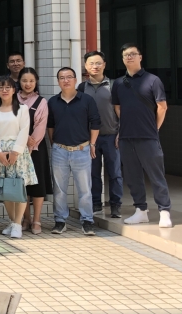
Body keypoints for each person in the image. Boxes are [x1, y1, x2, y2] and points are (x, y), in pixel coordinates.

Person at [111, 43, 172, 228]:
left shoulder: (153, 80)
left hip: (148, 136)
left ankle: (164, 211)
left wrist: (155, 128)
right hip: (126, 137)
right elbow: (118, 108)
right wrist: (122, 129)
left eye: (132, 54)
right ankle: (140, 210)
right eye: (125, 55)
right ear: (122, 59)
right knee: (132, 176)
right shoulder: (119, 83)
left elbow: (162, 107)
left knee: (156, 175)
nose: (129, 57)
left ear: (140, 57)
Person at [47, 67, 100, 236]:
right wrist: (55, 144)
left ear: (76, 80)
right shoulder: (53, 102)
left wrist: (92, 144)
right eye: (62, 78)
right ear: (58, 81)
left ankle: (87, 221)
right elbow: (50, 126)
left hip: (82, 150)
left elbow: (95, 123)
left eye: (69, 77)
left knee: (85, 189)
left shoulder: (87, 100)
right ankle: (60, 221)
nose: (66, 80)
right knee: (59, 189)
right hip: (59, 150)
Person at [0, 77, 37, 239]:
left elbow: (24, 130)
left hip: (18, 153)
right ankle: (12, 222)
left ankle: (18, 224)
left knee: (19, 188)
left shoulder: (22, 109)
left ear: (13, 90)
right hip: (0, 154)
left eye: (8, 87)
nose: (4, 90)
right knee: (5, 190)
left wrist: (15, 152)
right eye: (1, 87)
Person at [80, 51, 123, 218]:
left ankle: (116, 205)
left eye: (98, 63)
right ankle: (96, 203)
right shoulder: (82, 88)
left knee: (115, 173)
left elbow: (122, 111)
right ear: (86, 66)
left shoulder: (113, 85)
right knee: (93, 173)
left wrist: (121, 132)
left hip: (112, 136)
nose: (95, 66)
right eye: (91, 63)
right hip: (91, 139)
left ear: (104, 65)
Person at [17, 68, 53, 235]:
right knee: (22, 185)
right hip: (17, 148)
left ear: (36, 82)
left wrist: (30, 145)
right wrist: (23, 141)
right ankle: (26, 218)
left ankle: (37, 219)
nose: (28, 84)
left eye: (31, 81)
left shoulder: (41, 101)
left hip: (36, 149)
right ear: (19, 81)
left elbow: (41, 126)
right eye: (24, 80)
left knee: (37, 185)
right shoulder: (13, 99)